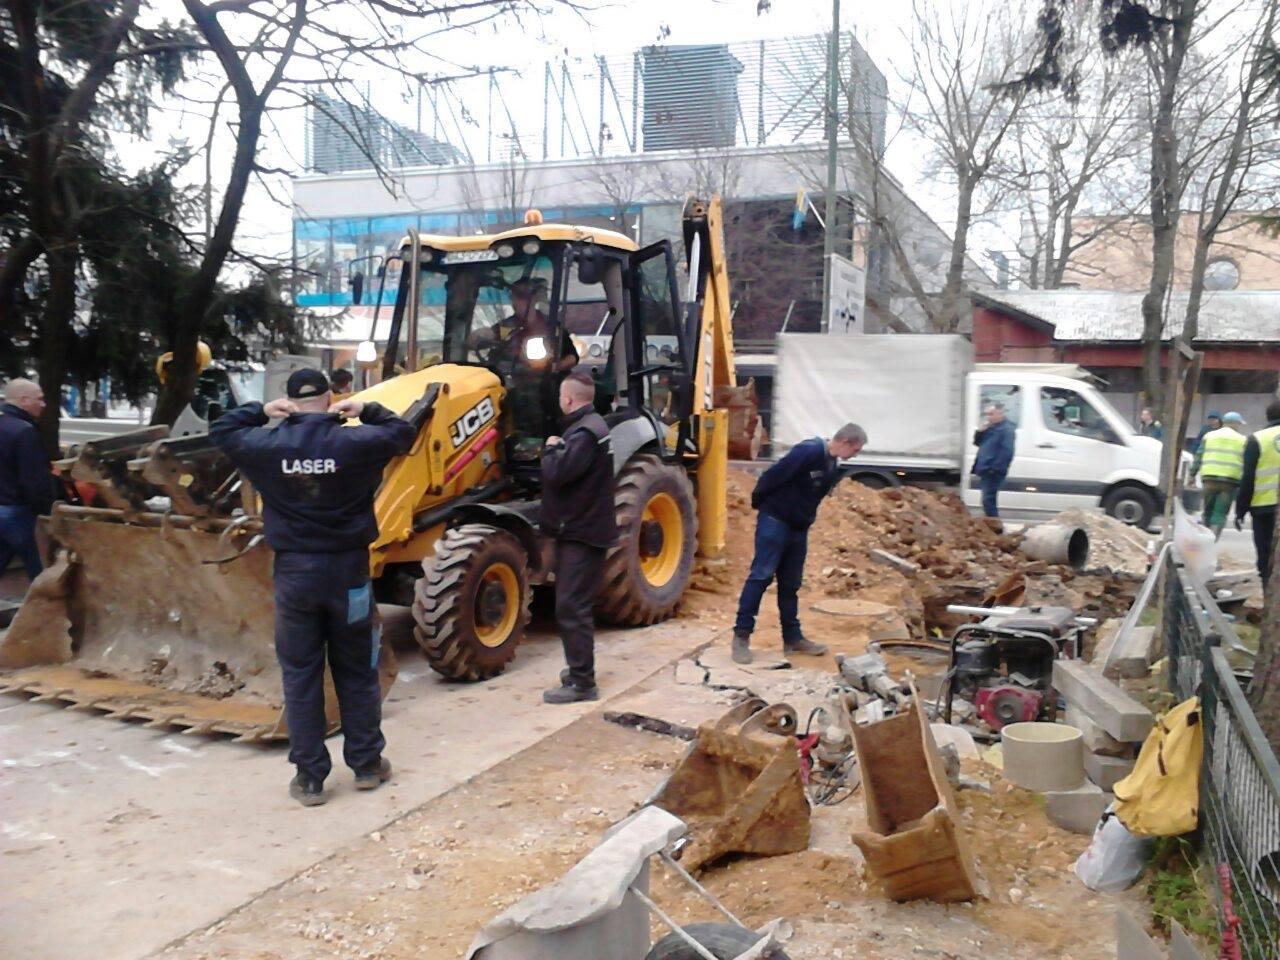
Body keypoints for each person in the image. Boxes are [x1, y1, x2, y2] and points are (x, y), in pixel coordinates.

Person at [210, 368, 415, 806]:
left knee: (301, 675)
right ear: (330, 398)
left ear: (289, 402)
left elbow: (223, 429)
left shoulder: (267, 445)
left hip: (295, 577)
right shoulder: (356, 442)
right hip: (349, 576)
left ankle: (309, 778)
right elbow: (403, 431)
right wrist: (366, 409)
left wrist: (262, 411)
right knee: (357, 671)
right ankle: (365, 764)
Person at [731, 424, 867, 665]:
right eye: (855, 449)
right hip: (775, 521)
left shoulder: (832, 464)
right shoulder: (810, 451)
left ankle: (793, 638)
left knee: (790, 584)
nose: (855, 454)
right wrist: (762, 505)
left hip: (797, 528)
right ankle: (741, 637)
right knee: (761, 576)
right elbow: (773, 476)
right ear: (844, 440)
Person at [538, 372, 618, 704]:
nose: (559, 401)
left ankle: (583, 682)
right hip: (582, 527)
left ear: (568, 399)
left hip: (581, 531)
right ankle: (577, 670)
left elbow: (558, 473)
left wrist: (551, 449)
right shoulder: (591, 426)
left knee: (572, 607)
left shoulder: (584, 433)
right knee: (573, 604)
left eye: (560, 396)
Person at [0, 379, 54, 583]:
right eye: (39, 399)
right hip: (19, 515)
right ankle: (48, 613)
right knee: (43, 572)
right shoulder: (25, 432)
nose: (44, 404)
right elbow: (33, 482)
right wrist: (48, 510)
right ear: (23, 400)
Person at [1235, 399, 1280, 585]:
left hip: (1264, 509)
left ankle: (1269, 599)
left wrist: (1240, 510)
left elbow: (1248, 479)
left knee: (1265, 556)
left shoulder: (1257, 439)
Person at [1193, 411, 1247, 539]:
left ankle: (1203, 537)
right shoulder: (1242, 439)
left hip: (1209, 479)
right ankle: (1213, 540)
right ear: (1236, 424)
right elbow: (1246, 461)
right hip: (1230, 482)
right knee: (1220, 514)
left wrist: (1192, 474)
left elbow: (1199, 456)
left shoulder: (1209, 436)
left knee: (1207, 511)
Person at [972, 402, 1016, 519]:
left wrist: (995, 468)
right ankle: (991, 523)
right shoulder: (991, 427)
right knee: (987, 499)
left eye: (991, 414)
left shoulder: (1006, 429)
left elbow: (1007, 451)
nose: (988, 417)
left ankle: (995, 525)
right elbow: (977, 443)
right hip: (985, 468)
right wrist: (980, 431)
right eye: (987, 414)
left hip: (993, 470)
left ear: (1000, 414)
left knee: (988, 499)